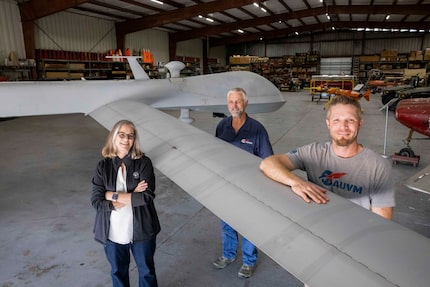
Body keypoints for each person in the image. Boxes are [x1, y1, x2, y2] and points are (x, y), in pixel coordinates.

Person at [259, 95, 395, 220]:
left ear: (360, 123)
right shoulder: (313, 153)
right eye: (336, 120)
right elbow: (268, 163)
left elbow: (381, 221)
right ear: (328, 123)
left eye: (350, 120)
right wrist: (296, 182)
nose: (343, 126)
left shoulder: (378, 166)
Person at [212, 87, 274, 278]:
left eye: (238, 101)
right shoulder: (222, 125)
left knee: (249, 224)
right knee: (227, 223)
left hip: (250, 187)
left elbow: (268, 160)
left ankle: (249, 261)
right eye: (231, 102)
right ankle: (229, 255)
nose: (234, 105)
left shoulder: (257, 129)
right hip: (227, 184)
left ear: (246, 103)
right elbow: (215, 153)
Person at [91, 120, 161, 287]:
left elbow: (146, 197)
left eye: (130, 136)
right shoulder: (103, 166)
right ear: (114, 137)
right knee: (118, 272)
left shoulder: (144, 163)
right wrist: (131, 195)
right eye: (122, 135)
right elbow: (96, 201)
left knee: (147, 272)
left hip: (141, 230)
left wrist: (110, 195)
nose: (126, 139)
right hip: (113, 232)